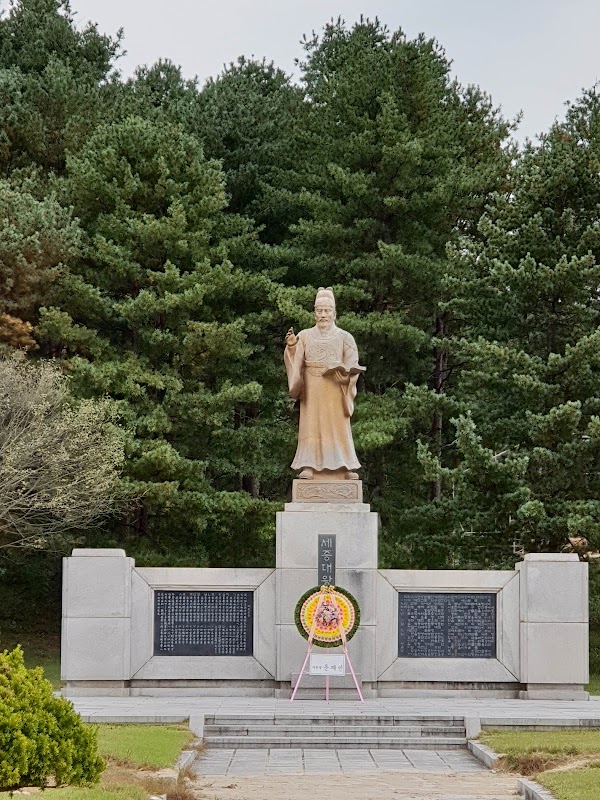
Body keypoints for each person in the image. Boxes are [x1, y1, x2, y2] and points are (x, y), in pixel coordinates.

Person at [284, 287, 365, 480]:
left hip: (336, 389)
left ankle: (345, 466)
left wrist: (345, 378)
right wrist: (292, 346)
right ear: (314, 314)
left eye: (327, 311)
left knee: (338, 427)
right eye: (319, 311)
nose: (323, 315)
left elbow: (353, 364)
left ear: (334, 313)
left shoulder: (345, 338)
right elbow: (296, 361)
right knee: (311, 427)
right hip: (312, 388)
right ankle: (309, 465)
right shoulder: (304, 335)